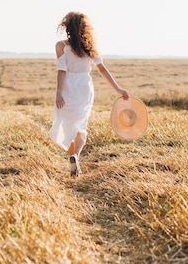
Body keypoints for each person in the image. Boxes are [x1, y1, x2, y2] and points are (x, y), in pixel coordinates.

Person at [49, 11, 129, 177]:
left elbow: (62, 71)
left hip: (68, 87)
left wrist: (58, 93)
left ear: (66, 27)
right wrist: (118, 89)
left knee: (68, 124)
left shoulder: (61, 46)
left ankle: (73, 157)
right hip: (84, 87)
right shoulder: (91, 47)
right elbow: (102, 70)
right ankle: (75, 156)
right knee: (81, 124)